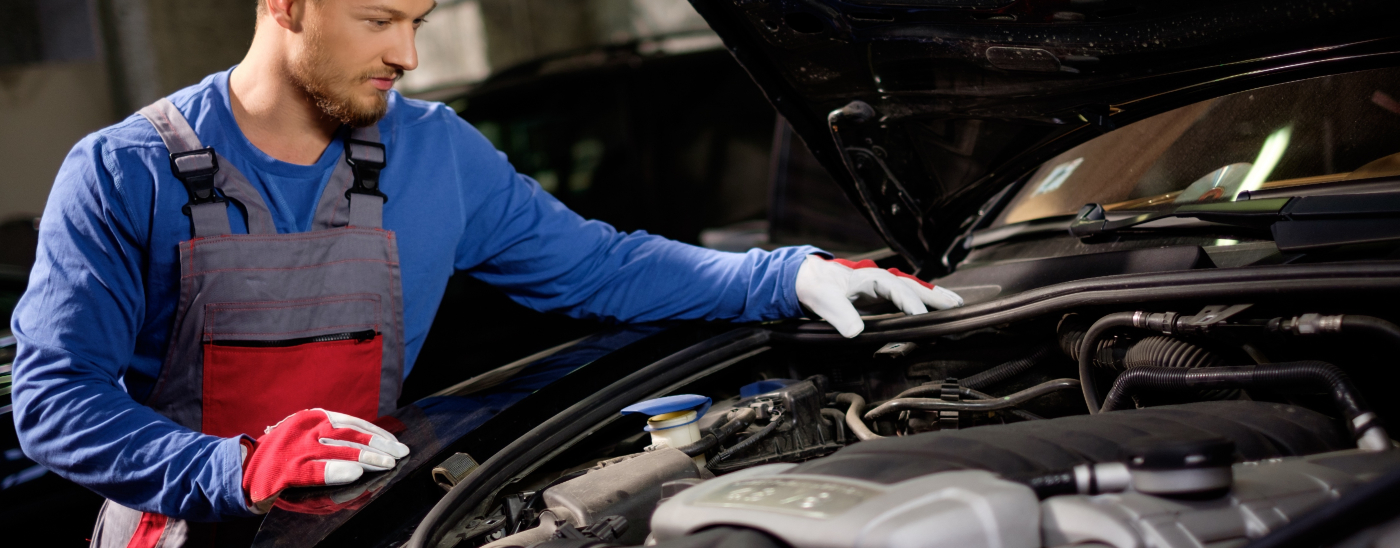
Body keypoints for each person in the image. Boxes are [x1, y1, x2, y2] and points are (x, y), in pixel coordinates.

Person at [9, 0, 963, 545]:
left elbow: (600, 267)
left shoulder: (433, 153)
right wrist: (235, 464)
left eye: (420, 19)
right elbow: (53, 400)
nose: (409, 56)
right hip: (179, 533)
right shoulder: (123, 170)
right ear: (285, 5)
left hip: (358, 525)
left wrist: (782, 275)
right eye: (380, 18)